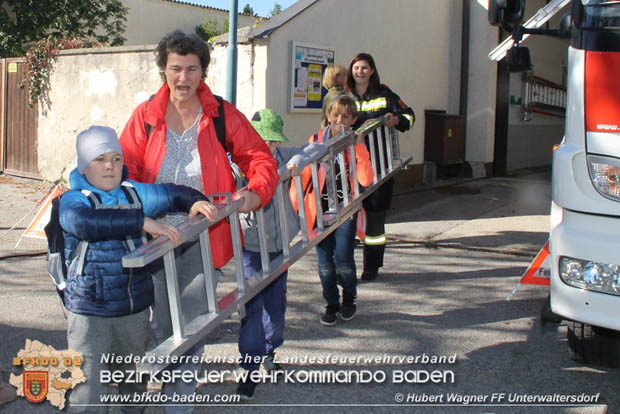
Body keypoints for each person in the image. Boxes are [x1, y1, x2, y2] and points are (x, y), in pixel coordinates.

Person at [119, 30, 278, 412]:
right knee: (160, 326)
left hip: (204, 236)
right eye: (176, 68)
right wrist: (133, 214)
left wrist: (255, 192)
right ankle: (147, 386)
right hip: (154, 236)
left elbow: (259, 157)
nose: (183, 78)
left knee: (192, 323)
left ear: (203, 71)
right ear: (164, 69)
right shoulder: (146, 116)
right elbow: (125, 171)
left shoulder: (220, 113)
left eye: (192, 69)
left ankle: (179, 404)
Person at [60, 126, 217, 413]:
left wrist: (194, 199)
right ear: (83, 167)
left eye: (116, 159)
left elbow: (171, 193)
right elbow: (84, 223)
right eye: (99, 159)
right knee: (87, 391)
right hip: (89, 312)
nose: (109, 166)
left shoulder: (133, 193)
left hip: (133, 310)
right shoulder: (75, 198)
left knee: (132, 385)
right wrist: (140, 222)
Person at [234, 109, 327, 399]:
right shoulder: (238, 165)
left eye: (274, 142)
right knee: (252, 306)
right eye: (264, 141)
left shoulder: (282, 156)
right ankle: (248, 370)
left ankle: (270, 348)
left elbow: (317, 147)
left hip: (280, 246)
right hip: (250, 246)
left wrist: (298, 161)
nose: (269, 147)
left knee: (275, 304)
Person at [291, 95, 374, 325]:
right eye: (335, 114)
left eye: (345, 116)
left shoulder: (355, 141)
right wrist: (300, 213)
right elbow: (304, 178)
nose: (339, 120)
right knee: (325, 263)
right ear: (328, 115)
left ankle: (349, 297)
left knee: (343, 258)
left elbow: (366, 179)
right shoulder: (316, 139)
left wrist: (359, 148)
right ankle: (331, 303)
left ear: (353, 119)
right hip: (319, 211)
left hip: (345, 209)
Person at [345, 52, 415, 281]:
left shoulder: (385, 94)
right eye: (356, 68)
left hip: (379, 167)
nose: (360, 72)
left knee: (375, 219)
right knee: (346, 219)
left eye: (365, 68)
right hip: (349, 168)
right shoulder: (344, 96)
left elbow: (409, 115)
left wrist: (397, 120)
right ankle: (344, 268)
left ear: (372, 70)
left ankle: (371, 267)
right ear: (351, 70)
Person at [320, 64, 347, 128]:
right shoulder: (337, 95)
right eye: (344, 75)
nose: (347, 77)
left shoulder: (330, 94)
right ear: (335, 77)